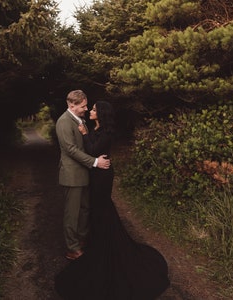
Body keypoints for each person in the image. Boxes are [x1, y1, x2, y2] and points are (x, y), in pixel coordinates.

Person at [55, 101, 170, 299]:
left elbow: (91, 149)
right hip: (96, 174)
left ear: (101, 113)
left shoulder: (107, 132)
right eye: (90, 108)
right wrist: (88, 135)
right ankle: (99, 241)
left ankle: (107, 245)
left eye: (93, 109)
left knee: (102, 208)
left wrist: (84, 134)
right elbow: (92, 147)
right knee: (97, 209)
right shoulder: (97, 128)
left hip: (102, 176)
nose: (90, 111)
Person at [55, 90, 110, 261]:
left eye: (86, 105)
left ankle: (82, 241)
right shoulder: (64, 122)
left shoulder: (81, 121)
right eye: (83, 106)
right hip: (72, 176)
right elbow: (70, 149)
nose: (86, 109)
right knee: (72, 214)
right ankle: (72, 248)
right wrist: (95, 162)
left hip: (85, 174)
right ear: (71, 105)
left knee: (85, 210)